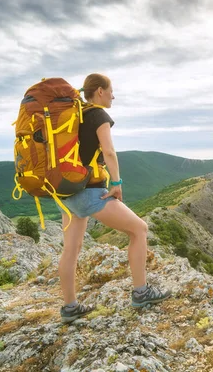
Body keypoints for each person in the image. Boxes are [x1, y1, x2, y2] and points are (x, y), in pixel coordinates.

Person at [58, 73, 171, 323]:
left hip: (67, 192)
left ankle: (69, 308)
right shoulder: (98, 115)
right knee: (140, 229)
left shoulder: (73, 116)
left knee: (71, 249)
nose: (113, 96)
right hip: (90, 191)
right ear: (99, 91)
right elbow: (108, 151)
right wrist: (117, 183)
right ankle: (141, 293)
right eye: (111, 91)